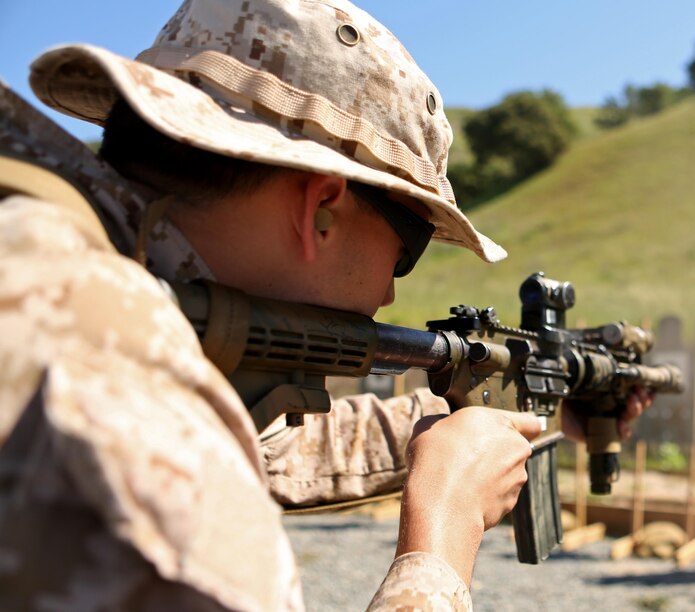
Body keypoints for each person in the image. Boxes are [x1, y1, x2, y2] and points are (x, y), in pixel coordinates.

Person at [0, 0, 652, 609]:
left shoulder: (76, 281)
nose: (391, 293)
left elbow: (263, 446)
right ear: (320, 211)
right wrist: (441, 539)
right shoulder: (102, 368)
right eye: (407, 249)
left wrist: (507, 419)